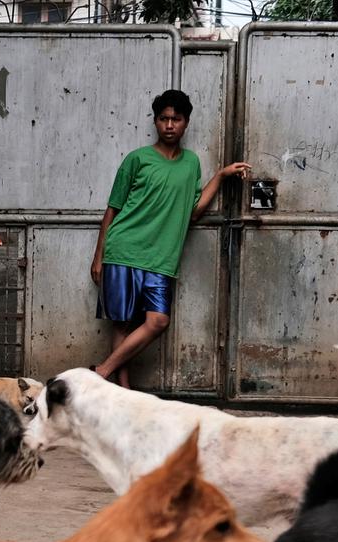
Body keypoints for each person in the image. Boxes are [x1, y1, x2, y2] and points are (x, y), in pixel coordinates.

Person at [90, 89, 251, 389]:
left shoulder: (191, 163)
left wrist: (220, 176)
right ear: (155, 122)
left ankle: (101, 372)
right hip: (124, 250)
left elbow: (193, 212)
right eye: (163, 119)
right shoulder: (137, 159)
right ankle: (123, 395)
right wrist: (99, 256)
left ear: (186, 123)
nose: (169, 125)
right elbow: (112, 209)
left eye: (176, 119)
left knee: (157, 322)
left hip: (162, 258)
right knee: (123, 324)